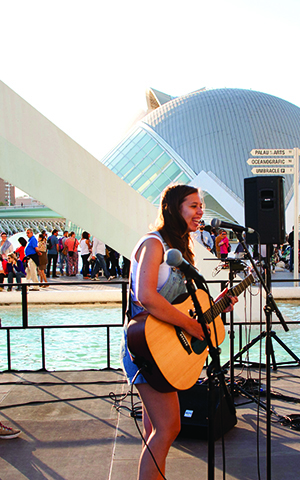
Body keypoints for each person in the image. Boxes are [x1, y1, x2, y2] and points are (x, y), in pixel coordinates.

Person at [121, 184, 237, 479]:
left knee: (154, 430)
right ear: (174, 209)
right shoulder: (154, 244)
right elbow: (146, 296)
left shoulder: (180, 250)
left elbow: (183, 306)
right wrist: (189, 325)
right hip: (146, 347)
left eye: (201, 206)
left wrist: (217, 306)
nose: (201, 212)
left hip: (163, 347)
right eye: (193, 206)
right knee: (169, 427)